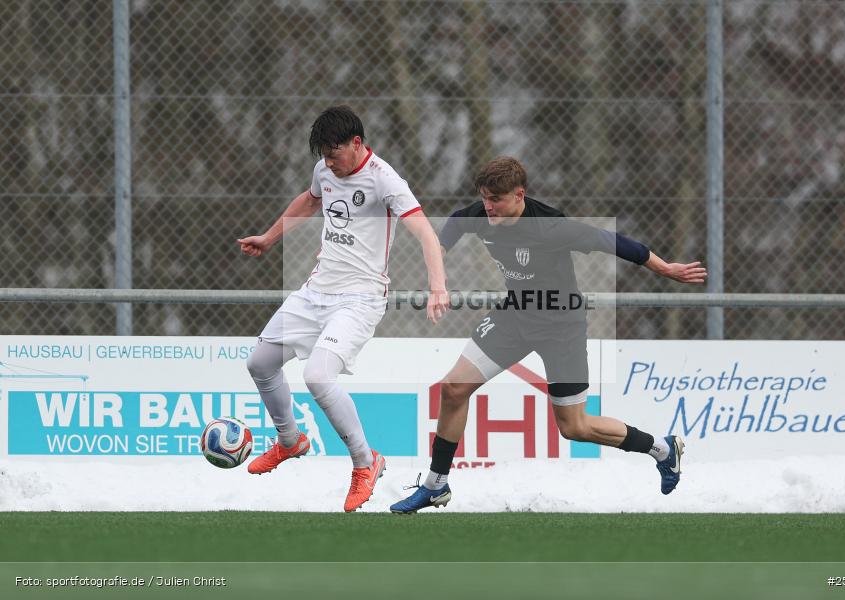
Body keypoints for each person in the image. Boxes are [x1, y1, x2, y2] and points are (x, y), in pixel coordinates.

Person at [390, 156, 706, 513]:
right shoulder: (483, 213)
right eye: (484, 198)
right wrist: (439, 258)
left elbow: (611, 242)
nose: (488, 206)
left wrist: (664, 267)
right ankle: (436, 485)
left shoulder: (551, 227)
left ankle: (661, 449)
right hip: (514, 317)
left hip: (562, 327)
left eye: (496, 199)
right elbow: (455, 224)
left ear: (519, 195)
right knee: (454, 389)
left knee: (574, 427)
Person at [238, 106, 449, 512]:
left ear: (357, 143)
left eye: (334, 153)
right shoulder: (325, 170)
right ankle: (290, 441)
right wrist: (269, 237)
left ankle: (366, 463)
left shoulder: (385, 180)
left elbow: (425, 231)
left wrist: (437, 285)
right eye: (322, 155)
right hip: (316, 291)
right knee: (260, 364)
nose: (328, 163)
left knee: (318, 376)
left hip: (361, 298)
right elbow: (309, 201)